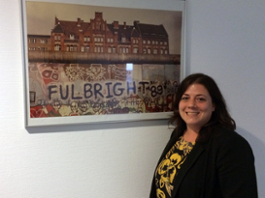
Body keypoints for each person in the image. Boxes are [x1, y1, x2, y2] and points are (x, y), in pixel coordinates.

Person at [149, 73, 257, 198]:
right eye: (185, 98)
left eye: (200, 99)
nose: (191, 105)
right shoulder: (178, 135)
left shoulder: (231, 145)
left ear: (214, 105)